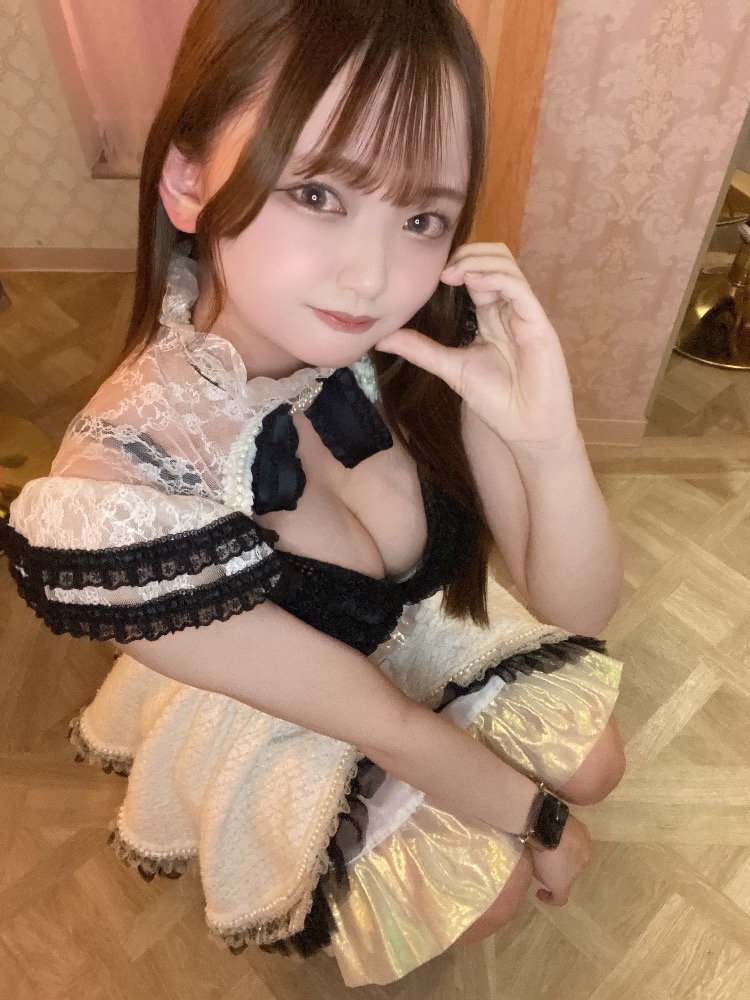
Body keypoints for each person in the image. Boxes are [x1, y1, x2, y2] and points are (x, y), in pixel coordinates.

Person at [0, 0, 626, 987]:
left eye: (421, 217)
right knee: (495, 888)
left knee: (599, 762)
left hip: (416, 634)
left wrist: (547, 438)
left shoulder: (424, 330)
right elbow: (383, 723)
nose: (372, 277)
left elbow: (576, 606)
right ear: (188, 180)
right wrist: (543, 823)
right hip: (300, 711)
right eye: (318, 192)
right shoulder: (126, 497)